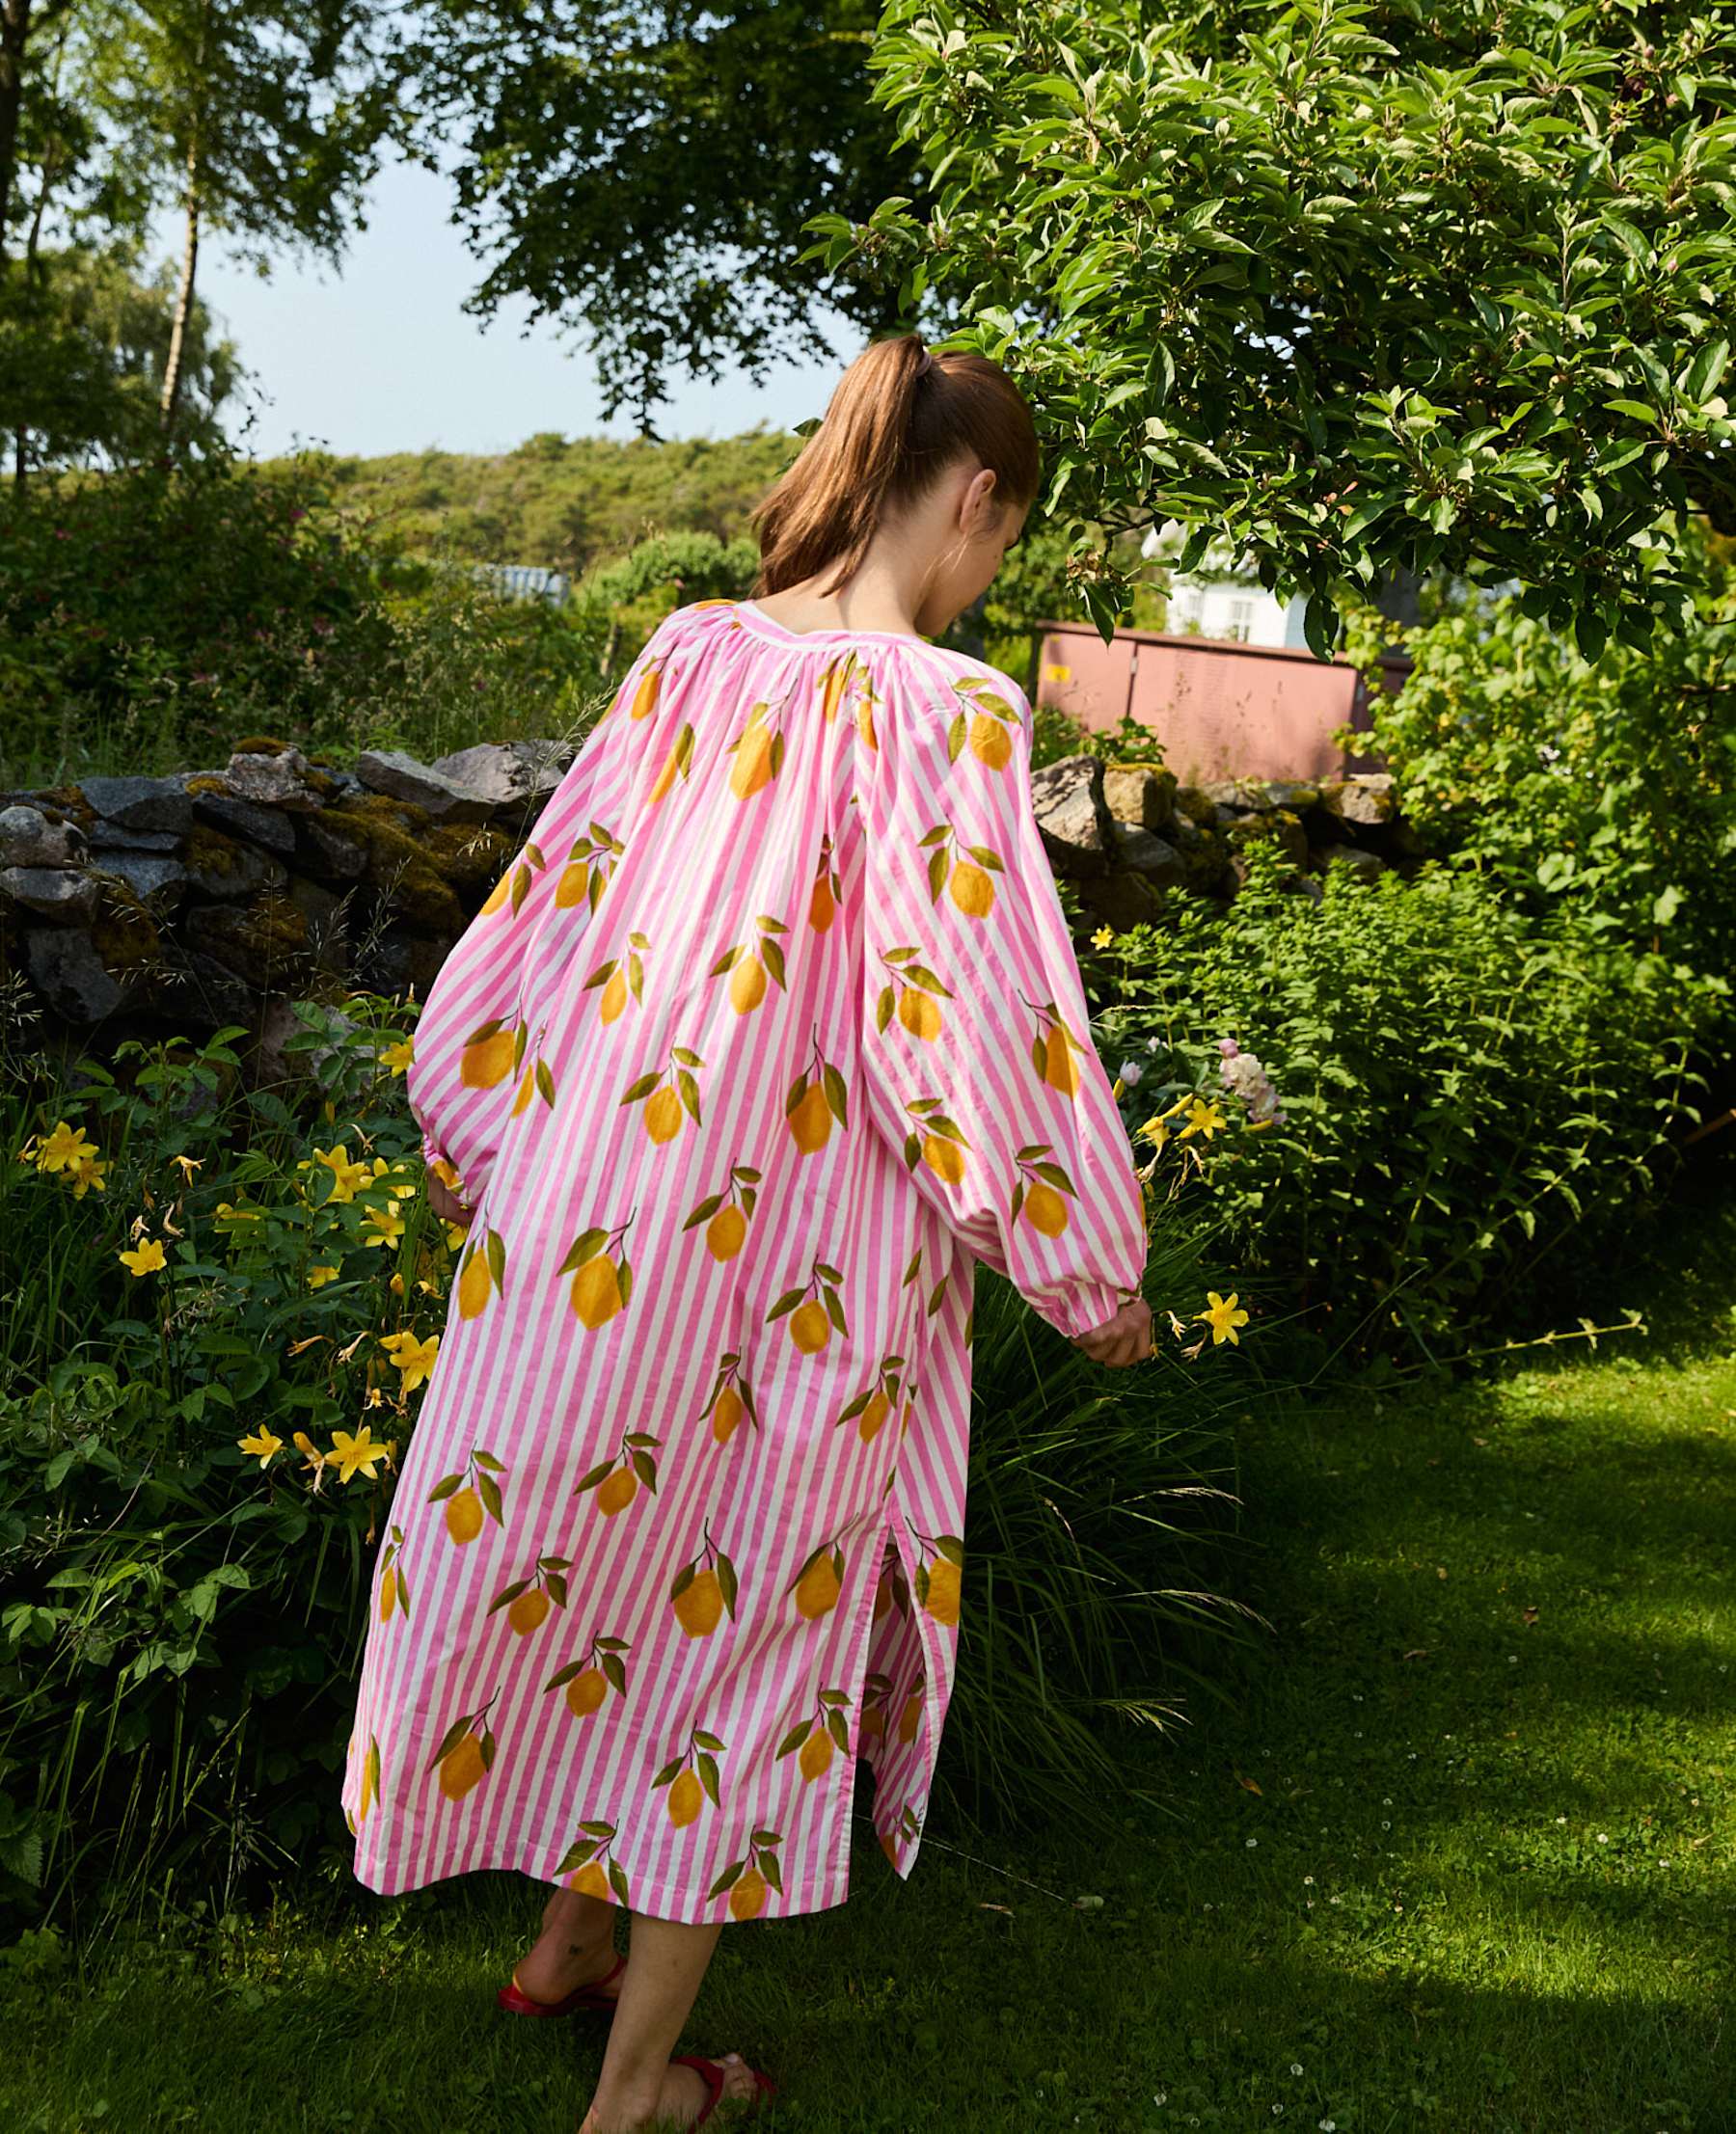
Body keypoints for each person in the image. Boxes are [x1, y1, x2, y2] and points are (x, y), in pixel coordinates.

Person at [341, 331, 1153, 2132]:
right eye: (1008, 540)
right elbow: (972, 1014)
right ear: (977, 500)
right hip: (803, 1258)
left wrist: (475, 1108)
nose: (991, 574)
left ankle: (564, 1953)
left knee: (616, 1562)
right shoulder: (946, 712)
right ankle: (640, 2094)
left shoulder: (692, 650)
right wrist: (1085, 1261)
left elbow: (557, 895)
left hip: (600, 1207)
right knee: (743, 1635)